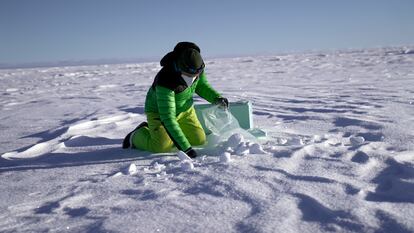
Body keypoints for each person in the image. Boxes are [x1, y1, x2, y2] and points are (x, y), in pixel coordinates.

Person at [122, 42, 228, 158]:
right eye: (188, 75)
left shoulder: (198, 67)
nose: (193, 78)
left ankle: (169, 133)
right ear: (180, 67)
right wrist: (186, 149)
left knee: (199, 140)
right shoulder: (165, 80)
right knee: (162, 146)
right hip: (159, 113)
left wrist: (216, 98)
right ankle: (136, 135)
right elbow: (167, 117)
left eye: (196, 75)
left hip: (185, 110)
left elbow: (202, 86)